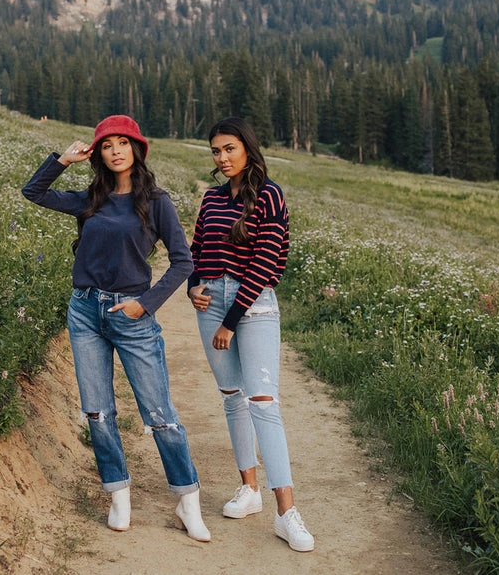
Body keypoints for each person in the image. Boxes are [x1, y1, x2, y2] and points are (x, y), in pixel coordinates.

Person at [22, 114, 210, 542]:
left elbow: (184, 261)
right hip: (85, 311)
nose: (116, 150)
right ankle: (118, 496)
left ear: (137, 149)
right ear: (99, 154)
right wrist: (63, 160)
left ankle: (187, 500)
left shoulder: (157, 201)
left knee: (160, 415)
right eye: (107, 145)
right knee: (98, 412)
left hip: (131, 315)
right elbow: (33, 192)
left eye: (123, 143)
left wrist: (145, 305)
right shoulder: (91, 198)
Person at [187, 117, 315, 552]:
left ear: (247, 148)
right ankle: (250, 489)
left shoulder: (269, 195)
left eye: (229, 149)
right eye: (216, 152)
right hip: (212, 303)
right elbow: (197, 251)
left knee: (263, 401)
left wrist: (229, 321)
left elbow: (267, 262)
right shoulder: (211, 199)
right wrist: (193, 287)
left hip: (253, 304)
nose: (222, 158)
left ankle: (286, 511)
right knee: (231, 396)